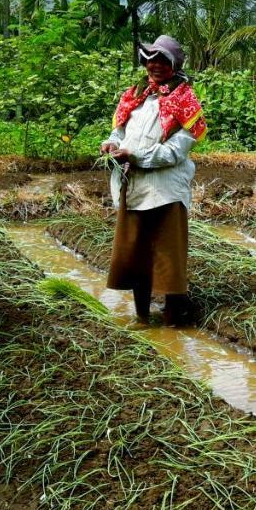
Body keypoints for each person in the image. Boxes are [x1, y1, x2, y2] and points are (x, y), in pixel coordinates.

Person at [101, 35, 207, 325]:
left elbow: (175, 151)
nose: (155, 65)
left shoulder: (185, 100)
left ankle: (174, 320)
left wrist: (134, 156)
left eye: (162, 60)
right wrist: (111, 145)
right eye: (150, 59)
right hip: (134, 185)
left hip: (165, 189)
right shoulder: (136, 94)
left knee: (168, 255)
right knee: (136, 252)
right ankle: (142, 318)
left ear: (173, 64)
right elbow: (119, 131)